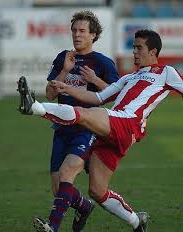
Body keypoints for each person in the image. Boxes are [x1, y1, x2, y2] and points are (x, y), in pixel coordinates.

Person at [18, 29, 183, 232]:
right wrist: (66, 88)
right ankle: (136, 222)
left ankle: (34, 107)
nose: (134, 52)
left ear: (153, 51)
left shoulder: (166, 72)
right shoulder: (128, 77)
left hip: (128, 123)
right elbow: (98, 97)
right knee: (97, 190)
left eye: (139, 48)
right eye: (133, 47)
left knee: (87, 114)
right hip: (114, 128)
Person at [26, 10, 119, 232]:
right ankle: (84, 206)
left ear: (93, 35)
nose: (77, 35)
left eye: (82, 31)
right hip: (62, 127)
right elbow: (49, 95)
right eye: (74, 30)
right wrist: (64, 71)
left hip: (87, 128)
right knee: (59, 187)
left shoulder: (103, 63)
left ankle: (52, 226)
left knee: (68, 172)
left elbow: (117, 96)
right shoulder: (63, 58)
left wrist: (95, 80)